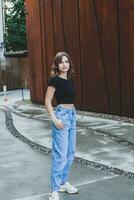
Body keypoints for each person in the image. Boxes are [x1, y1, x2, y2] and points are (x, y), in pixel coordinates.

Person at [45, 52, 78, 200]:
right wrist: (54, 118)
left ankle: (63, 182)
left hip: (72, 115)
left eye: (66, 61)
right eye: (61, 62)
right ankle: (54, 190)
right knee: (60, 155)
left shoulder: (69, 81)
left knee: (70, 153)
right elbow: (47, 100)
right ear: (57, 65)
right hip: (62, 117)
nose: (64, 64)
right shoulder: (54, 80)